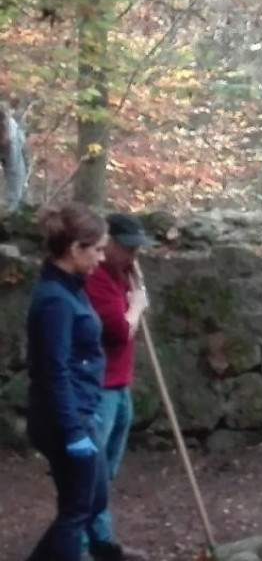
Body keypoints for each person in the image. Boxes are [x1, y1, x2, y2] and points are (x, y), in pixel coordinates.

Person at [25, 202, 109, 561]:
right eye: (99, 249)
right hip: (64, 417)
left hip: (81, 410)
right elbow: (52, 370)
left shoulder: (72, 288)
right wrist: (73, 430)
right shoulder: (54, 301)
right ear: (76, 249)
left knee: (90, 501)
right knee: (77, 508)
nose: (102, 258)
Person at [82, 214, 151, 561]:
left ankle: (101, 543)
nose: (133, 254)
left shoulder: (123, 273)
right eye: (127, 248)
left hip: (119, 385)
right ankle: (81, 547)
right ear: (108, 244)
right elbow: (119, 331)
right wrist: (136, 306)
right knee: (92, 474)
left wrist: (135, 293)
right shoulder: (96, 280)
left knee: (105, 472)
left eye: (136, 248)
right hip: (101, 388)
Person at [0, 107, 28, 210]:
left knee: (17, 183)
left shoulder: (12, 141)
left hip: (10, 146)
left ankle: (17, 212)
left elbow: (14, 176)